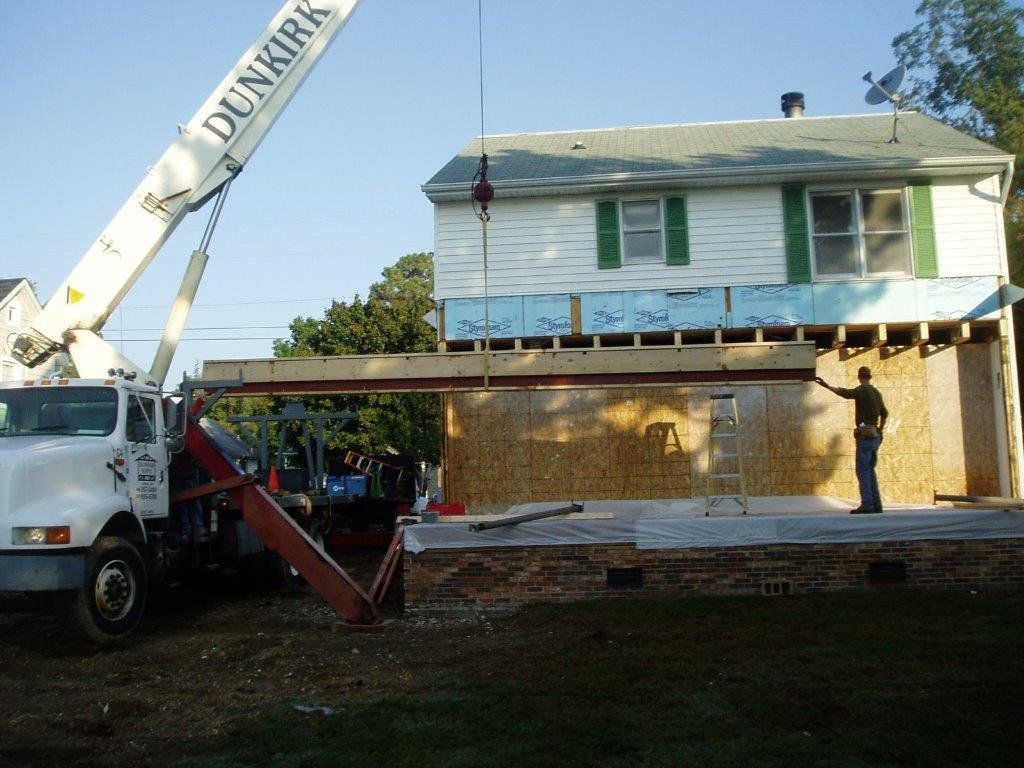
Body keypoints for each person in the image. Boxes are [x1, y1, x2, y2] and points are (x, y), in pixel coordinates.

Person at [814, 366, 889, 514]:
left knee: (862, 470)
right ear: (870, 376)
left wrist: (826, 385)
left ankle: (867, 504)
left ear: (859, 377)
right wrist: (880, 430)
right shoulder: (876, 393)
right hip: (875, 435)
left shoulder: (861, 391)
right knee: (870, 470)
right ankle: (876, 504)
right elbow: (885, 413)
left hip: (865, 435)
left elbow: (845, 393)